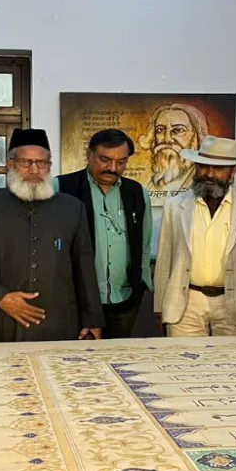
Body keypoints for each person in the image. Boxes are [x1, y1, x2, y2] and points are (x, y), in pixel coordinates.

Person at [0, 128, 104, 342]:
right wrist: (1, 297)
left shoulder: (73, 208)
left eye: (42, 163)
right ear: (10, 164)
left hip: (57, 325)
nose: (34, 170)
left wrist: (93, 319)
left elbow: (84, 267)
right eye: (26, 162)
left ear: (49, 166)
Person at [154, 136, 236, 337]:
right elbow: (165, 257)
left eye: (218, 168)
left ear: (233, 170)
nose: (209, 174)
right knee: (184, 364)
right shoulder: (175, 205)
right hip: (185, 301)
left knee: (231, 364)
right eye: (203, 167)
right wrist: (159, 305)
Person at [55, 129, 153, 339]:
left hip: (125, 301)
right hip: (76, 302)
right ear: (88, 154)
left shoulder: (137, 192)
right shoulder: (61, 187)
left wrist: (142, 286)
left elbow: (143, 245)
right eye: (105, 160)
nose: (113, 168)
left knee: (119, 362)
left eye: (121, 162)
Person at [138, 103, 209, 192]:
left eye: (178, 130)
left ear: (195, 137)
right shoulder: (150, 185)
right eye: (160, 130)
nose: (167, 139)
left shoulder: (204, 182)